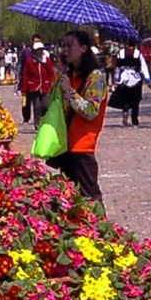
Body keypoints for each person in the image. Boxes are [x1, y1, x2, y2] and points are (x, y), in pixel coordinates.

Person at [48, 29, 108, 204]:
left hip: (83, 145)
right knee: (69, 197)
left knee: (90, 197)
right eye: (63, 45)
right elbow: (53, 102)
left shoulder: (95, 77)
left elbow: (91, 111)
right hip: (66, 144)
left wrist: (70, 92)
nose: (65, 50)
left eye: (70, 45)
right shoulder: (69, 75)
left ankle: (101, 229)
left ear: (83, 48)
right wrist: (60, 73)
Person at [19, 40, 55, 125]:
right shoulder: (30, 61)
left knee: (45, 106)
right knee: (37, 106)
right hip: (34, 87)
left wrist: (50, 83)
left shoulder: (46, 60)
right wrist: (24, 89)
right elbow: (26, 75)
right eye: (38, 49)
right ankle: (37, 124)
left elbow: (51, 73)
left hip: (45, 86)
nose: (39, 51)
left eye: (41, 49)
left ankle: (45, 122)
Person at [111, 45, 147, 126]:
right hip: (136, 78)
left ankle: (125, 112)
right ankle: (134, 120)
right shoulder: (138, 53)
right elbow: (143, 66)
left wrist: (116, 80)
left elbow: (118, 68)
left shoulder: (121, 53)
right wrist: (147, 78)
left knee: (126, 99)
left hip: (124, 79)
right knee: (136, 100)